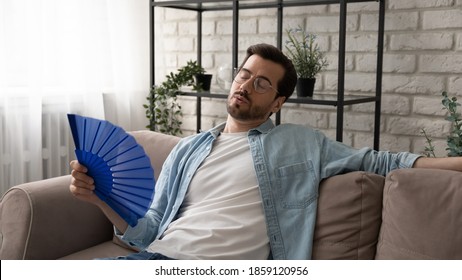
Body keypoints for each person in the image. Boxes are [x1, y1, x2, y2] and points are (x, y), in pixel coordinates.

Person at [70, 43, 462, 260]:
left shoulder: (301, 143)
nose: (245, 85)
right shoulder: (188, 149)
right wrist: (99, 198)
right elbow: (147, 230)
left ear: (277, 102)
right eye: (244, 74)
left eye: (261, 84)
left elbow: (383, 161)